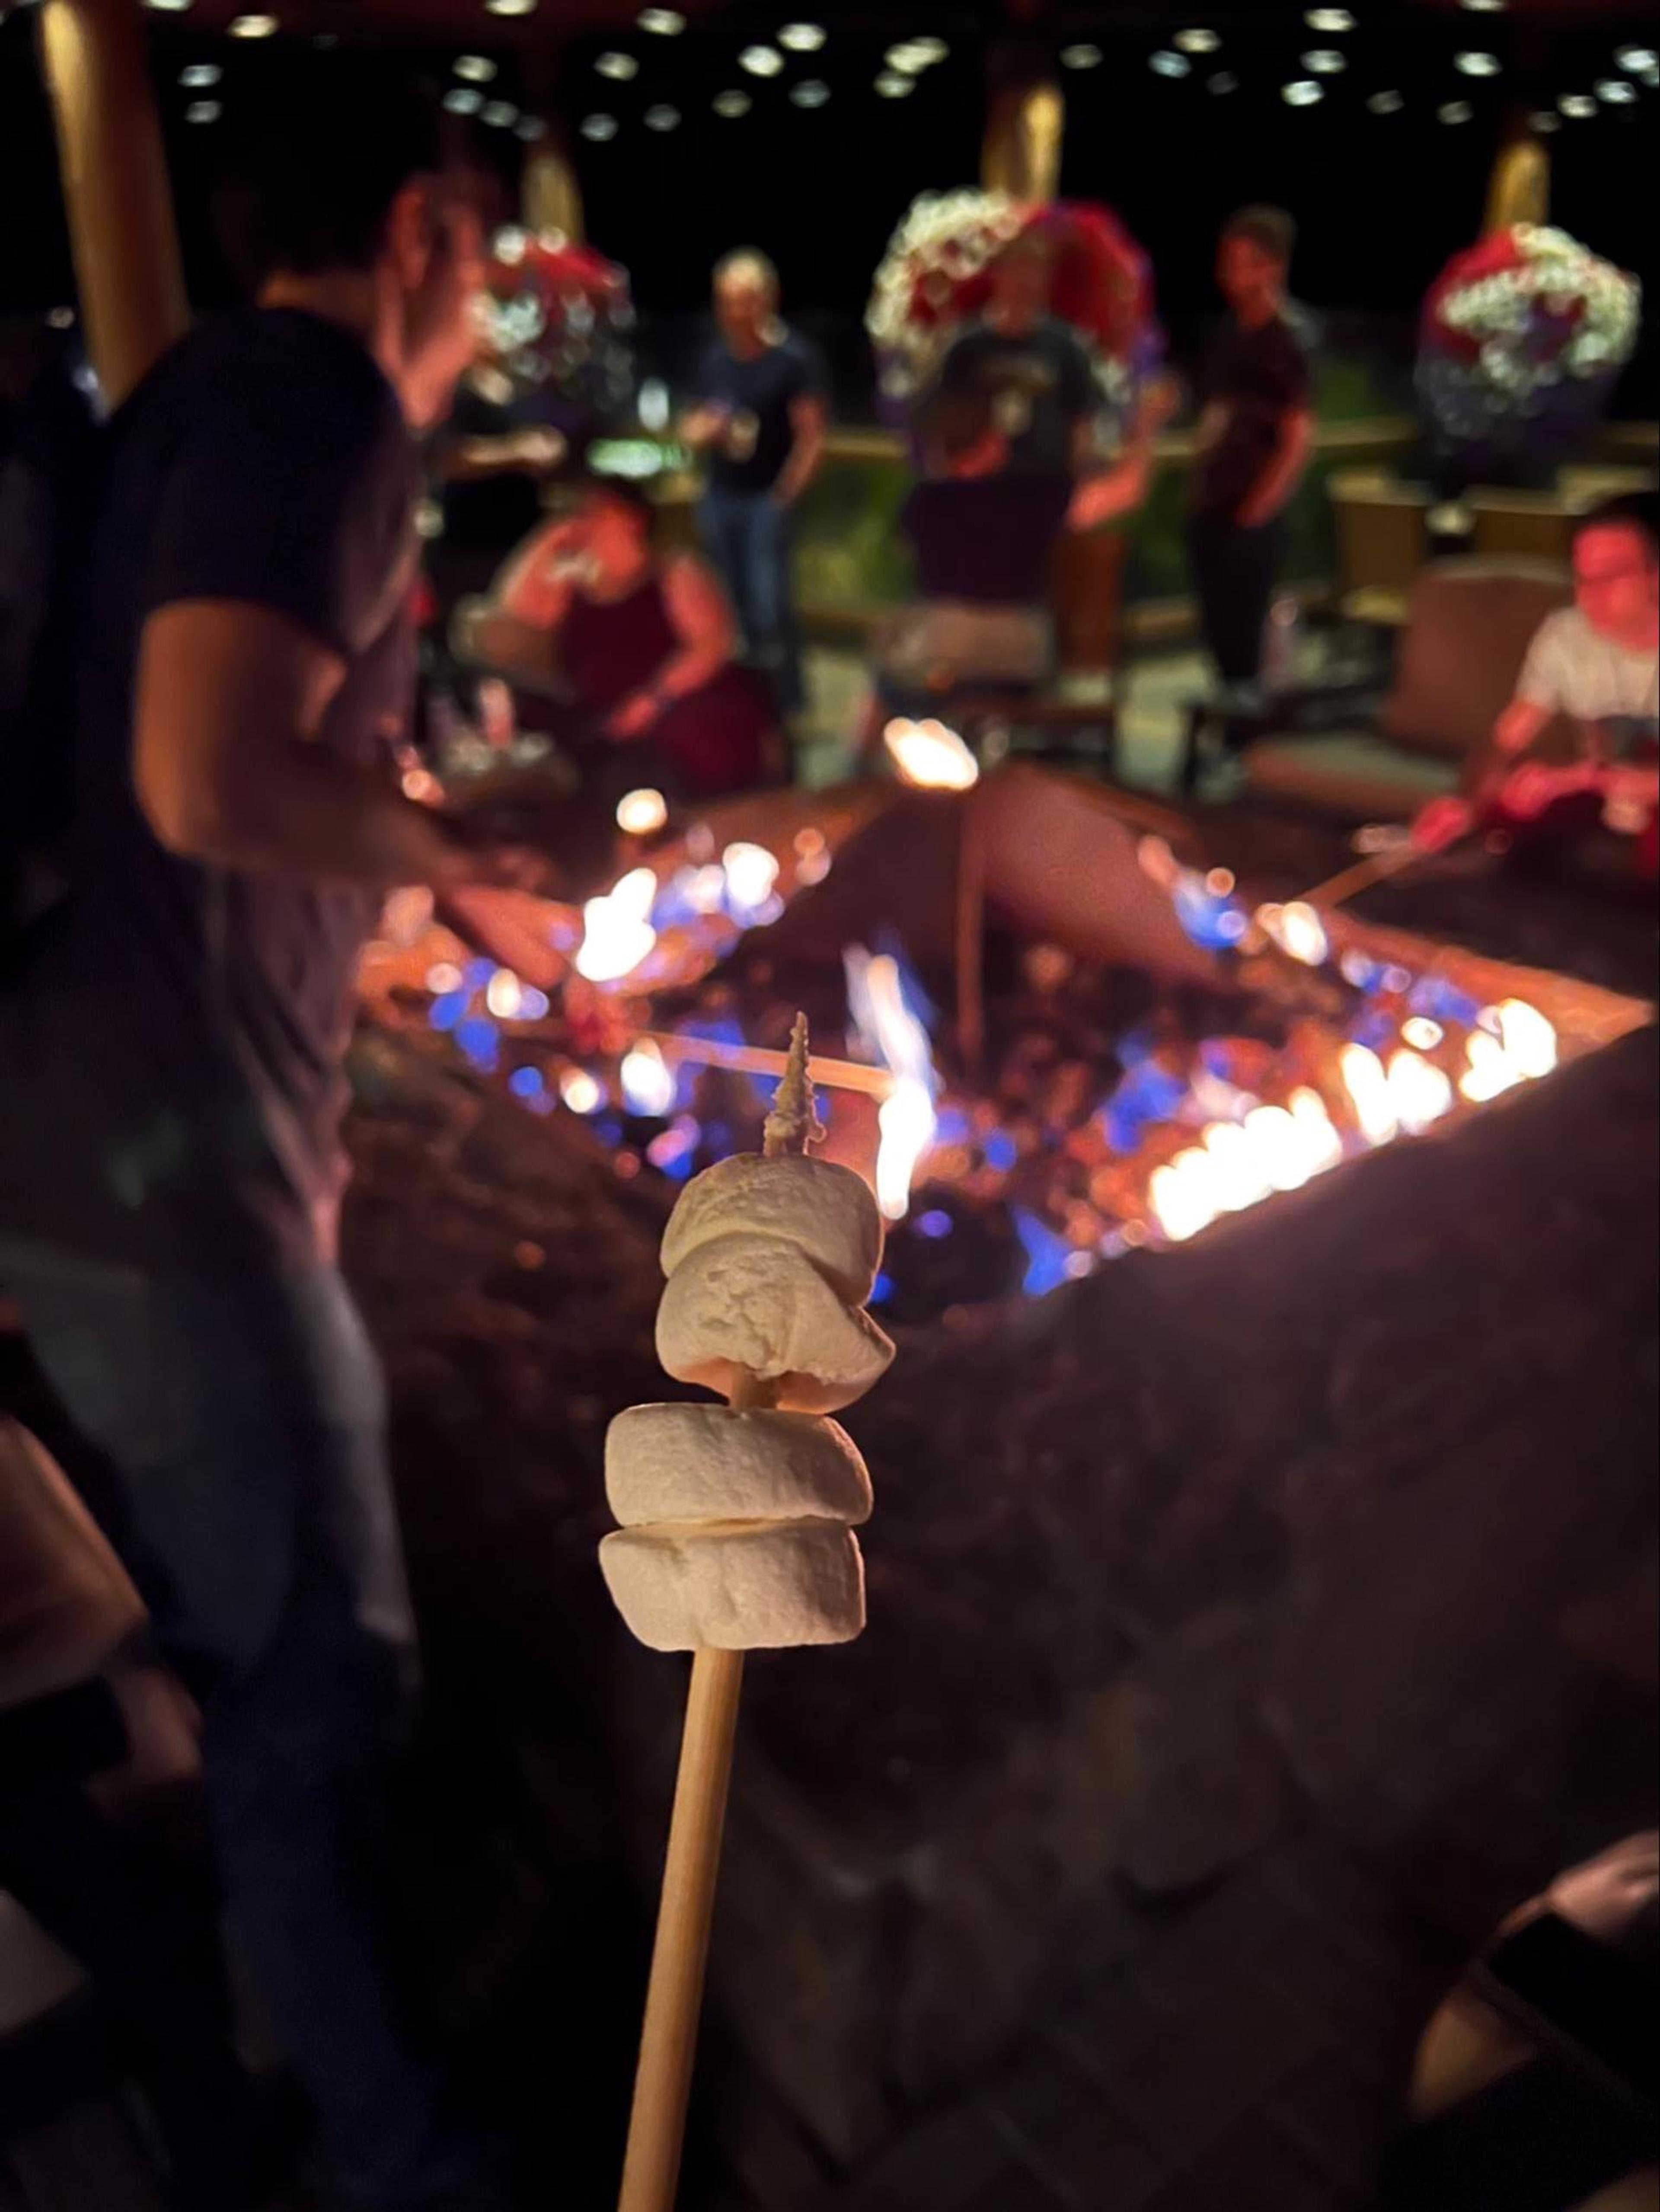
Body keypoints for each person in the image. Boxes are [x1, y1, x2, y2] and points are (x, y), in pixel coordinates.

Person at [0, 61, 544, 2212]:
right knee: (325, 1672)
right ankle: (408, 2159)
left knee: (272, 1649)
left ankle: (272, 1979)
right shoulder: (324, 406)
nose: (492, 305)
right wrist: (443, 828)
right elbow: (209, 776)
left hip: (102, 1140)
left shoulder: (206, 395)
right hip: (166, 1177)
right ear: (419, 226)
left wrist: (427, 868)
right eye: (487, 252)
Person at [870, 378, 1169, 714]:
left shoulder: (922, 502)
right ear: (993, 440)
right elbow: (1127, 489)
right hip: (1020, 654)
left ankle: (860, 759)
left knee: (884, 676)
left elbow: (907, 556)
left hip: (940, 649)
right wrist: (1146, 428)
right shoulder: (1034, 496)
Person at [488, 474, 774, 804]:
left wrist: (652, 700)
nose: (590, 520)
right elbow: (513, 609)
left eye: (601, 512)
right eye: (585, 512)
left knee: (681, 749)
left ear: (634, 519)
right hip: (600, 715)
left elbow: (712, 644)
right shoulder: (575, 581)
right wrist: (554, 536)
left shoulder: (672, 571)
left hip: (677, 705)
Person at [1412, 493, 1660, 872]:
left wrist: (1581, 779)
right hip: (1604, 796)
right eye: (1582, 577)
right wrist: (1465, 802)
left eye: (1612, 575)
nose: (1591, 595)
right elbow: (1505, 740)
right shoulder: (1567, 636)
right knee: (1510, 807)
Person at [680, 249, 827, 721]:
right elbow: (691, 423)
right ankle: (745, 704)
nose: (736, 312)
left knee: (770, 609)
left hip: (766, 499)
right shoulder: (714, 361)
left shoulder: (794, 360)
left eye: (745, 300)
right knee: (729, 606)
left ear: (768, 300)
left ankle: (787, 707)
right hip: (722, 495)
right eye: (727, 301)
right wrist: (703, 431)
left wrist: (784, 497)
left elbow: (812, 437)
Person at [1185, 206, 1314, 696]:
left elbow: (1298, 433)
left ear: (1272, 266)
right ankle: (1225, 724)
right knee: (1217, 626)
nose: (1231, 276)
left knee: (1246, 631)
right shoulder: (1230, 334)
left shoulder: (1288, 338)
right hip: (1213, 502)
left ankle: (1247, 737)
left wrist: (1259, 506)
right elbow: (1218, 414)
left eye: (1244, 262)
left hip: (1251, 509)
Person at [932, 230, 1100, 476]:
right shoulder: (967, 347)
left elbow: (1082, 427)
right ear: (998, 274)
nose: (1028, 281)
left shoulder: (1066, 347)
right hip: (979, 491)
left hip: (1047, 491)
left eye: (1037, 271)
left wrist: (1078, 486)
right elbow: (945, 432)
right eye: (1019, 269)